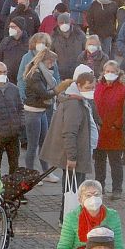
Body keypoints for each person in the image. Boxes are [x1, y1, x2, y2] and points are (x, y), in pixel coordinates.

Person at [41, 68, 98, 200]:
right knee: (72, 192)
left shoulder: (77, 100)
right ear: (78, 86)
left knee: (73, 190)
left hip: (79, 152)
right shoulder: (74, 104)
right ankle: (66, 219)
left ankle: (68, 218)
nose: (91, 90)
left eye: (93, 87)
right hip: (75, 155)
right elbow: (69, 133)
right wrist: (72, 157)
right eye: (88, 87)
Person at [56, 180, 125, 249]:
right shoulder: (72, 217)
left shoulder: (112, 216)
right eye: (88, 195)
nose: (93, 198)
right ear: (80, 200)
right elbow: (64, 247)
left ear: (102, 197)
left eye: (96, 194)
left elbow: (118, 246)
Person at [22, 50, 63, 182]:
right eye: (51, 61)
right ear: (44, 61)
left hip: (41, 110)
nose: (53, 64)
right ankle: (30, 174)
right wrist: (58, 89)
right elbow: (44, 94)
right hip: (33, 111)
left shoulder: (44, 72)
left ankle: (45, 172)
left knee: (43, 143)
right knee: (32, 145)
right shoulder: (35, 74)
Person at [94, 60, 125, 195]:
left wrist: (117, 124)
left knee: (115, 163)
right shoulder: (98, 87)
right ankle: (99, 187)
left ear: (118, 73)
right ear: (103, 72)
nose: (109, 74)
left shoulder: (124, 89)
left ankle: (117, 189)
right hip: (100, 131)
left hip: (115, 132)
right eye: (107, 71)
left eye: (113, 72)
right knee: (99, 162)